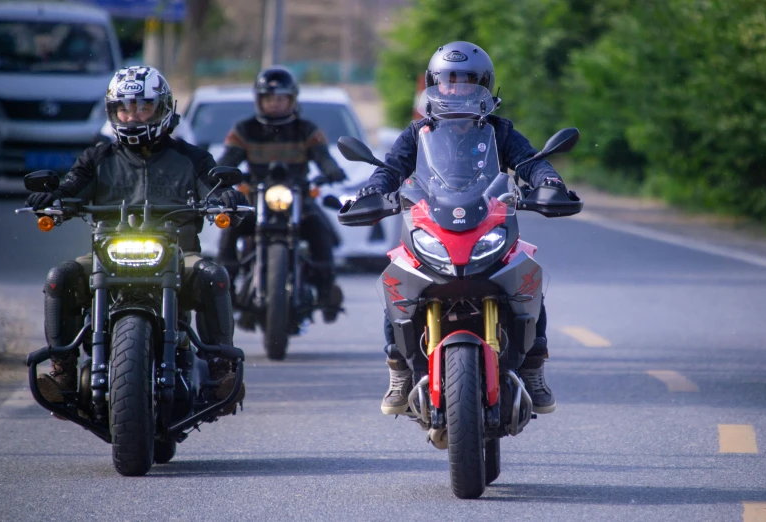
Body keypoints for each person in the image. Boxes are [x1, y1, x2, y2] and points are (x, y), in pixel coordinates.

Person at [358, 41, 569, 416]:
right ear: (432, 85)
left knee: (527, 272)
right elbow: (392, 168)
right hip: (432, 224)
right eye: (448, 80)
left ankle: (533, 365)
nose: (456, 89)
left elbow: (529, 162)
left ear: (485, 86)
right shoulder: (417, 133)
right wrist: (375, 189)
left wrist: (548, 181)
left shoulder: (500, 131)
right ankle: (398, 369)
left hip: (487, 223)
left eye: (468, 81)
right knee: (398, 275)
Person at [26, 66, 247, 415]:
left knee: (213, 274)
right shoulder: (97, 158)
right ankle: (63, 372)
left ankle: (222, 370)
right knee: (60, 276)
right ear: (112, 112)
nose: (133, 115)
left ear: (163, 109)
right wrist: (52, 199)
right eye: (124, 108)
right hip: (106, 255)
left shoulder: (192, 158)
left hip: (178, 254)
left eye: (143, 107)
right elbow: (70, 188)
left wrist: (226, 197)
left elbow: (215, 186)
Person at [215, 66, 346, 323]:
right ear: (259, 100)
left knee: (321, 230)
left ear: (291, 100)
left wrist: (332, 171)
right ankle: (223, 292)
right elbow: (228, 159)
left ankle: (325, 290)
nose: (275, 103)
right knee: (229, 230)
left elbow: (324, 158)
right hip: (255, 199)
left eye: (281, 98)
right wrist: (222, 175)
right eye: (269, 98)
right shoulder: (244, 129)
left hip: (299, 198)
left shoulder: (306, 129)